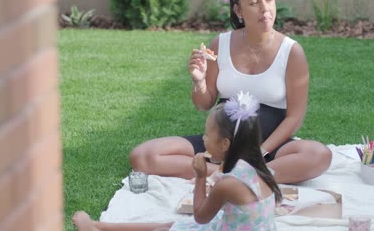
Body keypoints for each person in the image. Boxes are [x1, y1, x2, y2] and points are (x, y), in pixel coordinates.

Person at [130, 0, 332, 184]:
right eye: (254, 2)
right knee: (143, 156)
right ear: (238, 10)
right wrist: (198, 80)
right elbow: (204, 103)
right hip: (221, 146)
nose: (265, 9)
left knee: (319, 155)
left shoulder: (292, 52)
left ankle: (241, 172)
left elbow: (295, 117)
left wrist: (259, 153)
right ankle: (239, 175)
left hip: (268, 149)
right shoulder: (220, 44)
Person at [73, 93, 282, 231]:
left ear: (226, 143)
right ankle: (97, 226)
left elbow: (200, 216)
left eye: (207, 134)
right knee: (172, 225)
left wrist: (200, 176)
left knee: (169, 228)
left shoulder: (228, 184)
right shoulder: (255, 167)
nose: (203, 139)